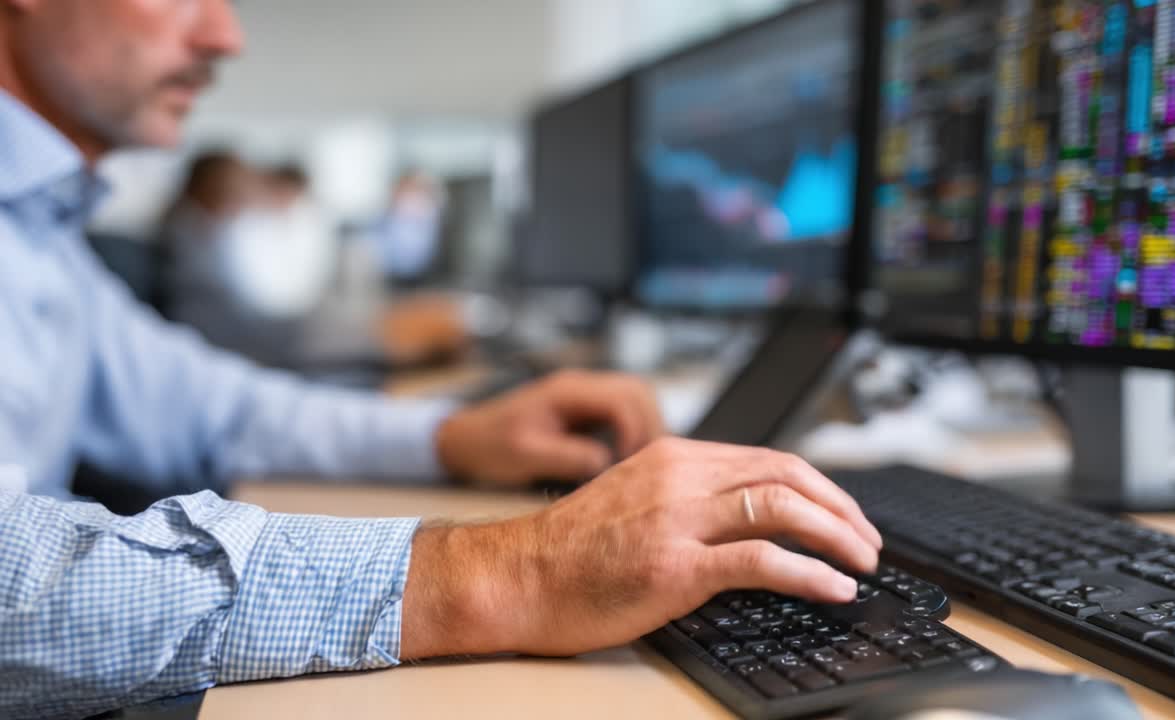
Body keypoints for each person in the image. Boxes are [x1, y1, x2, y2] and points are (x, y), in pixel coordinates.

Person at [0, 3, 883, 720]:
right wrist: (512, 570)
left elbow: (219, 407)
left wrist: (457, 436)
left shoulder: (39, 232)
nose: (224, 34)